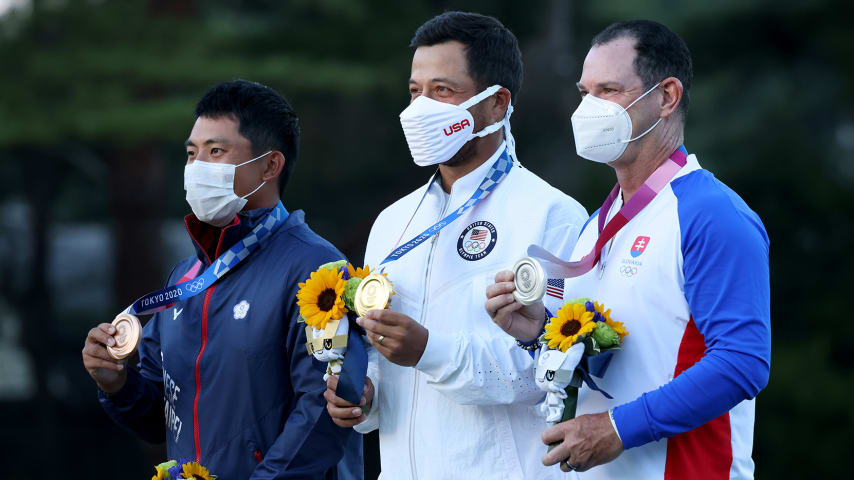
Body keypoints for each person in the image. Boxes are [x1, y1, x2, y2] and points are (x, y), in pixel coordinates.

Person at [485, 20, 771, 479]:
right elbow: (613, 358)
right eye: (584, 92)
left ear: (667, 97)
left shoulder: (712, 214)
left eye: (609, 90)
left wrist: (618, 429)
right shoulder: (596, 225)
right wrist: (536, 330)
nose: (588, 109)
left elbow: (742, 362)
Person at [323, 11, 588, 479]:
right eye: (414, 91)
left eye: (442, 91)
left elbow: (551, 370)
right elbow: (386, 371)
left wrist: (429, 350)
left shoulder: (552, 214)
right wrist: (364, 398)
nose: (420, 108)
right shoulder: (393, 222)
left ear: (498, 104)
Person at [82, 79, 362, 479]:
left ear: (270, 165)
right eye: (191, 153)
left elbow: (323, 411)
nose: (196, 168)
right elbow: (158, 416)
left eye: (216, 151)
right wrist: (117, 383)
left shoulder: (318, 270)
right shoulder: (186, 276)